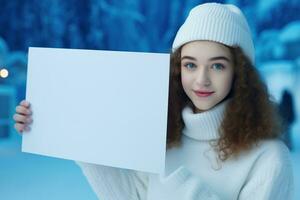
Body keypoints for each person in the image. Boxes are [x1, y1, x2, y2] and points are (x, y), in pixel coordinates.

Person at [13, 2, 294, 200]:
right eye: (190, 65)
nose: (201, 80)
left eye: (218, 66)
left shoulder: (269, 159)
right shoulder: (161, 133)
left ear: (240, 73)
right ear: (177, 69)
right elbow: (132, 196)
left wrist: (180, 188)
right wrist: (68, 131)